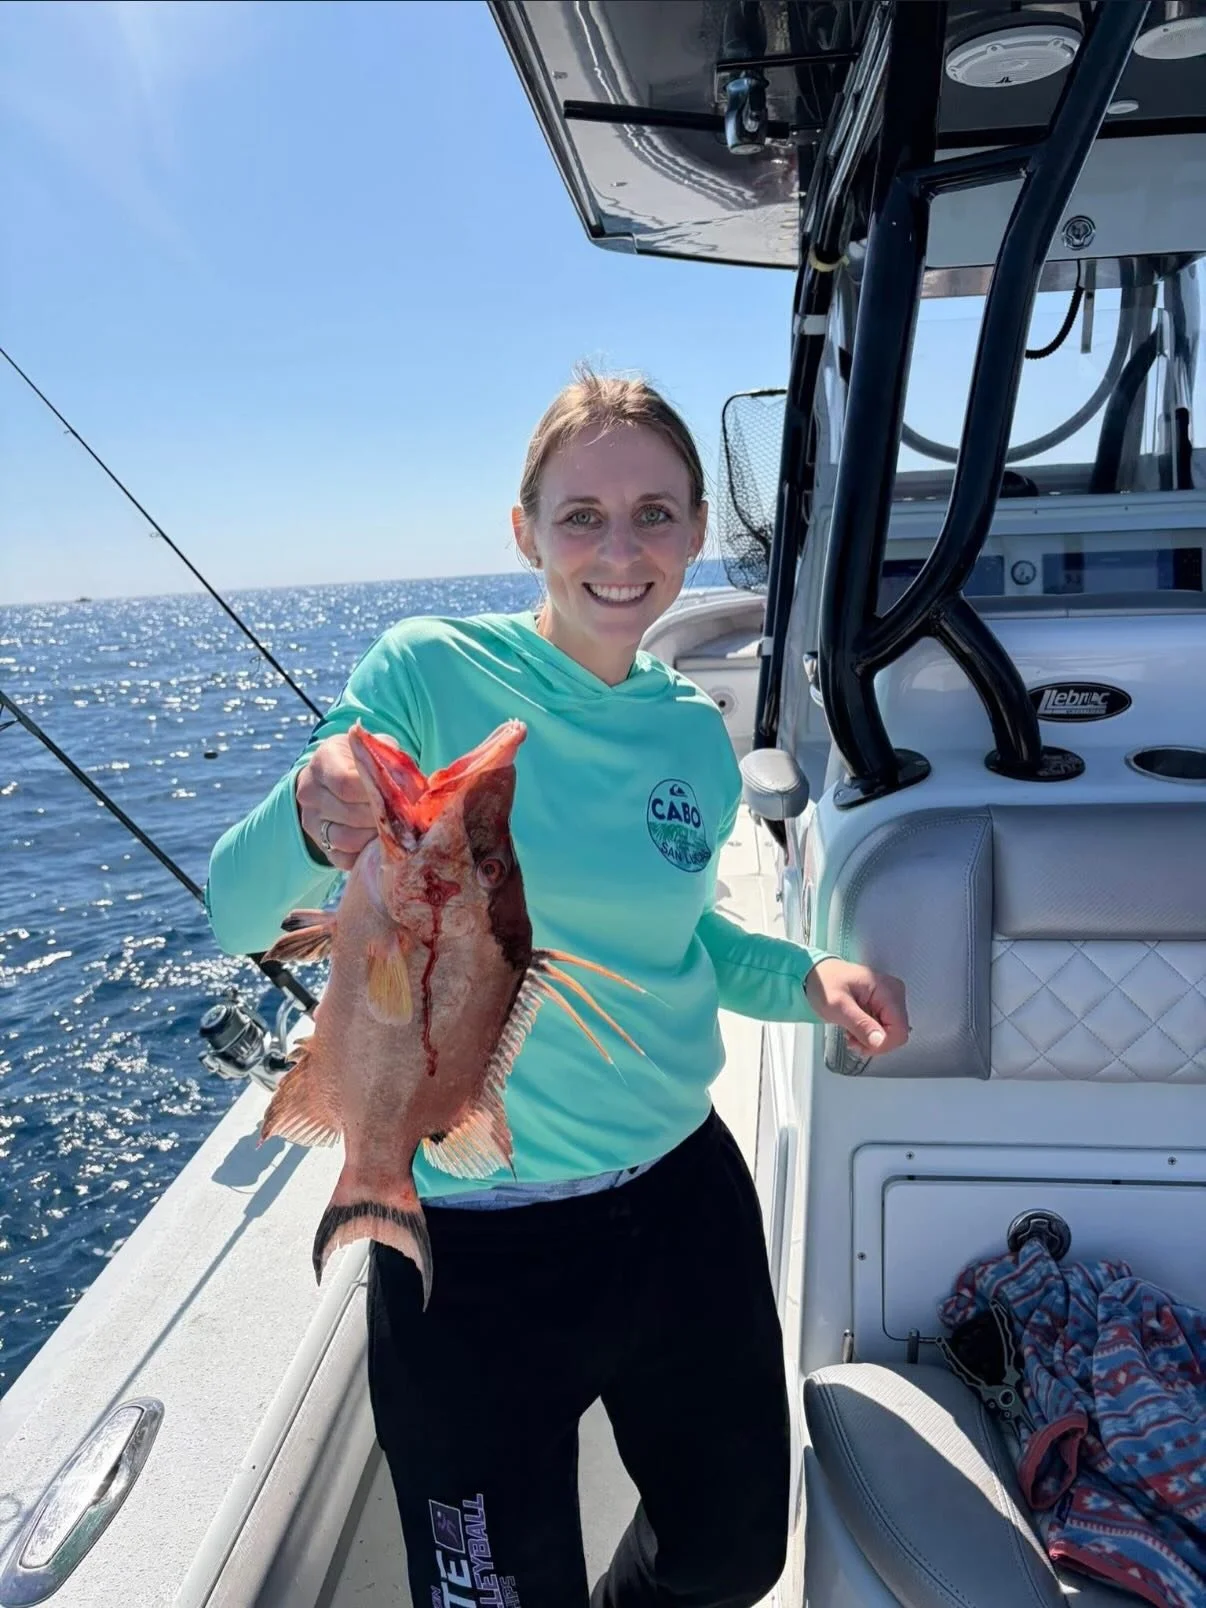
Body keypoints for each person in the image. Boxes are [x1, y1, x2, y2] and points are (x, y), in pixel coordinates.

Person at [205, 368, 909, 1608]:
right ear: (524, 530)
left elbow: (683, 948)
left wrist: (807, 976)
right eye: (581, 515)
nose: (620, 549)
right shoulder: (428, 671)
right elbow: (233, 908)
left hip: (681, 1205)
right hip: (472, 1246)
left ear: (697, 531)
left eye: (655, 513)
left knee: (735, 1553)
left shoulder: (694, 732)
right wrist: (318, 821)